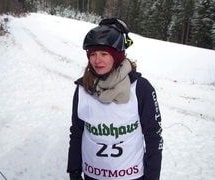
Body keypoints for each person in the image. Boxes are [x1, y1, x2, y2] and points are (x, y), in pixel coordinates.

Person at [67, 18, 163, 180]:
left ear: (117, 56)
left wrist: (152, 176)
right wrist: (74, 170)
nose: (97, 60)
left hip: (130, 176)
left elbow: (154, 136)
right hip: (92, 175)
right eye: (93, 54)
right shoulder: (83, 88)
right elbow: (77, 132)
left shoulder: (140, 88)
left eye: (104, 54)